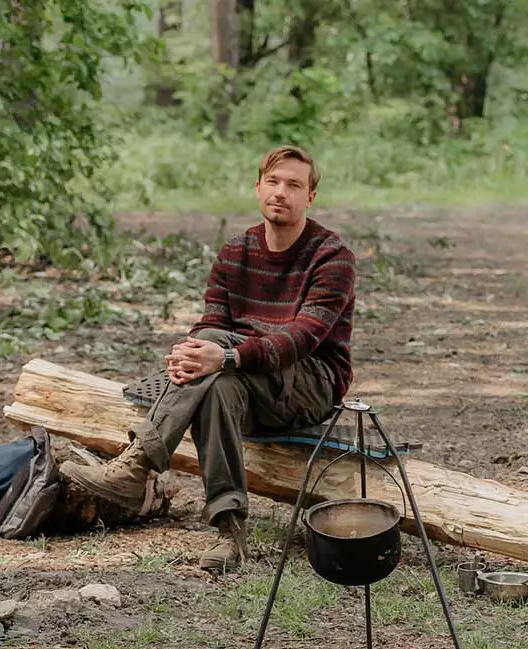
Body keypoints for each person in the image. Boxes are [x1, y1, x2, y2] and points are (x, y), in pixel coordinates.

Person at [62, 145, 356, 572]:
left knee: (220, 363)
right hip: (244, 377)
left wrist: (227, 355)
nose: (281, 192)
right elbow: (210, 323)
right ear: (257, 188)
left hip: (309, 382)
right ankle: (230, 534)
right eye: (273, 182)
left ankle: (137, 464)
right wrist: (192, 353)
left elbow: (302, 338)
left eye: (294, 185)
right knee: (216, 382)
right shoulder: (236, 252)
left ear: (310, 196)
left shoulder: (331, 256)